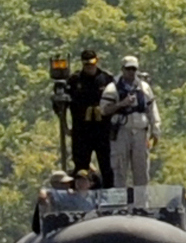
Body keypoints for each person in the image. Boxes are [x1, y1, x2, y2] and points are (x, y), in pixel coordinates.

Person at [100, 56, 160, 189]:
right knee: (119, 168)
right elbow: (104, 110)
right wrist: (122, 104)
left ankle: (141, 203)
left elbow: (152, 109)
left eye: (134, 69)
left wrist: (155, 129)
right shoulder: (112, 88)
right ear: (122, 69)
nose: (131, 72)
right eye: (128, 69)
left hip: (140, 132)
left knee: (141, 169)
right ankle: (119, 202)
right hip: (122, 132)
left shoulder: (144, 87)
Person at [67, 48, 115, 187]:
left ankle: (109, 197)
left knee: (107, 166)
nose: (89, 66)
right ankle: (80, 197)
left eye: (92, 63)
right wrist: (65, 126)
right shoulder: (74, 80)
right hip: (82, 131)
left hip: (102, 130)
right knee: (80, 167)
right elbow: (62, 105)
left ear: (97, 61)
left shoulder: (107, 79)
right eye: (86, 64)